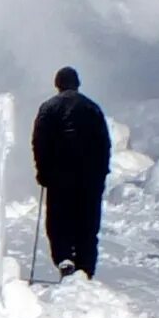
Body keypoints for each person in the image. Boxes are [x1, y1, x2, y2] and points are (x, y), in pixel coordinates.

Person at [30, 65, 113, 278]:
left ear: (58, 84)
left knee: (59, 219)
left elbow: (39, 142)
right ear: (77, 84)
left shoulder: (48, 108)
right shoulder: (92, 108)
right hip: (90, 177)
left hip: (59, 175)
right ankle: (85, 268)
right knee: (87, 221)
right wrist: (102, 173)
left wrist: (43, 170)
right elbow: (104, 144)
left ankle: (64, 257)